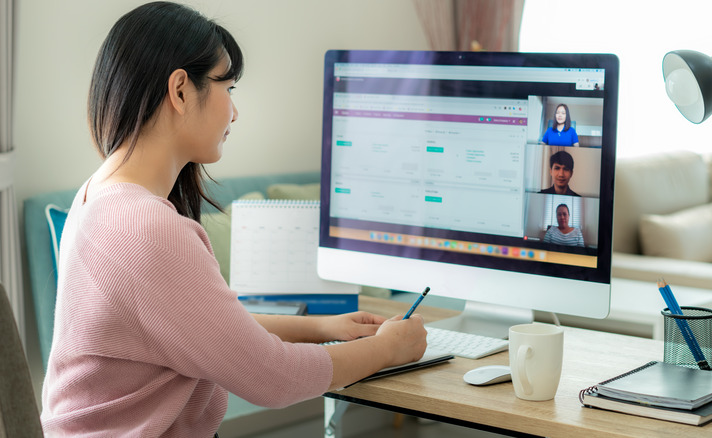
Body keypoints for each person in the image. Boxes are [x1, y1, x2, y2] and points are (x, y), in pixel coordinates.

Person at [39, 3, 427, 436]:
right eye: (229, 87)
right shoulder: (147, 229)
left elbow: (208, 327)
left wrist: (320, 327)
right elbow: (275, 378)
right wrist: (388, 351)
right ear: (181, 90)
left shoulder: (99, 194)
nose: (235, 112)